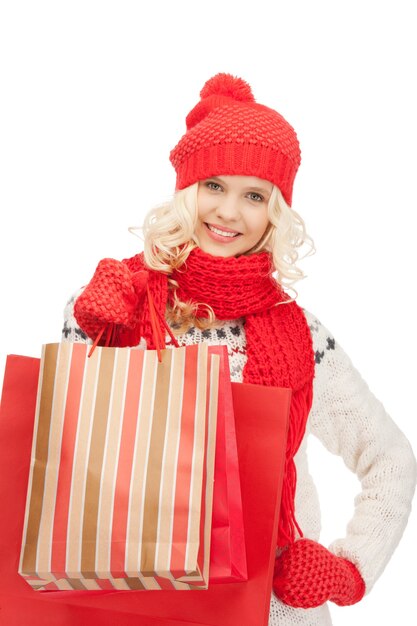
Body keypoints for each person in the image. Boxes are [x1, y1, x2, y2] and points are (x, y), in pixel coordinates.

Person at [62, 72, 416, 626]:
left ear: (275, 211)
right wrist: (90, 330)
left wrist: (350, 570)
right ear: (185, 191)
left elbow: (390, 458)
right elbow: (67, 440)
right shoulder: (118, 298)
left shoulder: (301, 334)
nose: (229, 212)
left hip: (272, 610)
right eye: (214, 186)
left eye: (254, 195)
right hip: (131, 597)